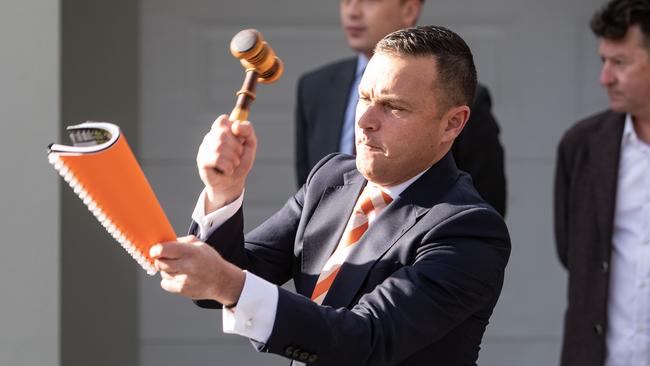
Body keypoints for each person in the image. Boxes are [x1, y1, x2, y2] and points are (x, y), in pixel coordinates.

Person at [152, 25, 510, 365]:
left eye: (394, 107)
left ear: (452, 123)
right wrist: (224, 189)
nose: (365, 119)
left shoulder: (469, 229)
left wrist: (228, 283)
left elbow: (366, 340)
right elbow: (228, 278)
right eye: (364, 98)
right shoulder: (331, 178)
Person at [295, 0, 507, 216]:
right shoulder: (314, 87)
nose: (352, 11)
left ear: (409, 9)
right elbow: (307, 198)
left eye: (393, 106)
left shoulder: (459, 98)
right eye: (364, 98)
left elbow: (484, 207)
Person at [554, 1, 650, 365]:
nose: (604, 78)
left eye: (619, 63)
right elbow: (574, 254)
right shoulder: (581, 146)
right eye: (603, 61)